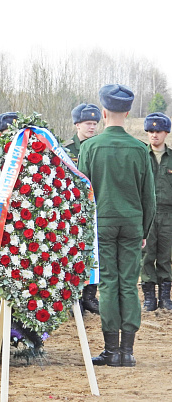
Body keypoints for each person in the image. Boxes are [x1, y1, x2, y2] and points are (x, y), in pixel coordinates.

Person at [78, 84, 155, 368]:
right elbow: (150, 197)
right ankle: (128, 352)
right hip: (133, 223)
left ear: (103, 112)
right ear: (128, 111)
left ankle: (111, 350)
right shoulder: (139, 149)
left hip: (102, 223)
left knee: (109, 283)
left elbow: (82, 193)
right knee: (129, 283)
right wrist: (144, 231)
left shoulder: (89, 147)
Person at [65, 103, 102, 315]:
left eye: (95, 123)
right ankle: (75, 297)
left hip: (95, 207)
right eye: (88, 123)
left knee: (94, 252)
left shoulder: (99, 146)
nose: (92, 127)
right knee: (74, 253)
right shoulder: (66, 149)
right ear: (77, 124)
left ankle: (89, 295)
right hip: (73, 210)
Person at [140, 112, 172, 311]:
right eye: (150, 131)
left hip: (168, 213)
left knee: (166, 255)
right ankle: (149, 297)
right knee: (146, 255)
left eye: (158, 131)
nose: (154, 135)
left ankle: (165, 297)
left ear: (166, 133)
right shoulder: (141, 156)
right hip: (147, 214)